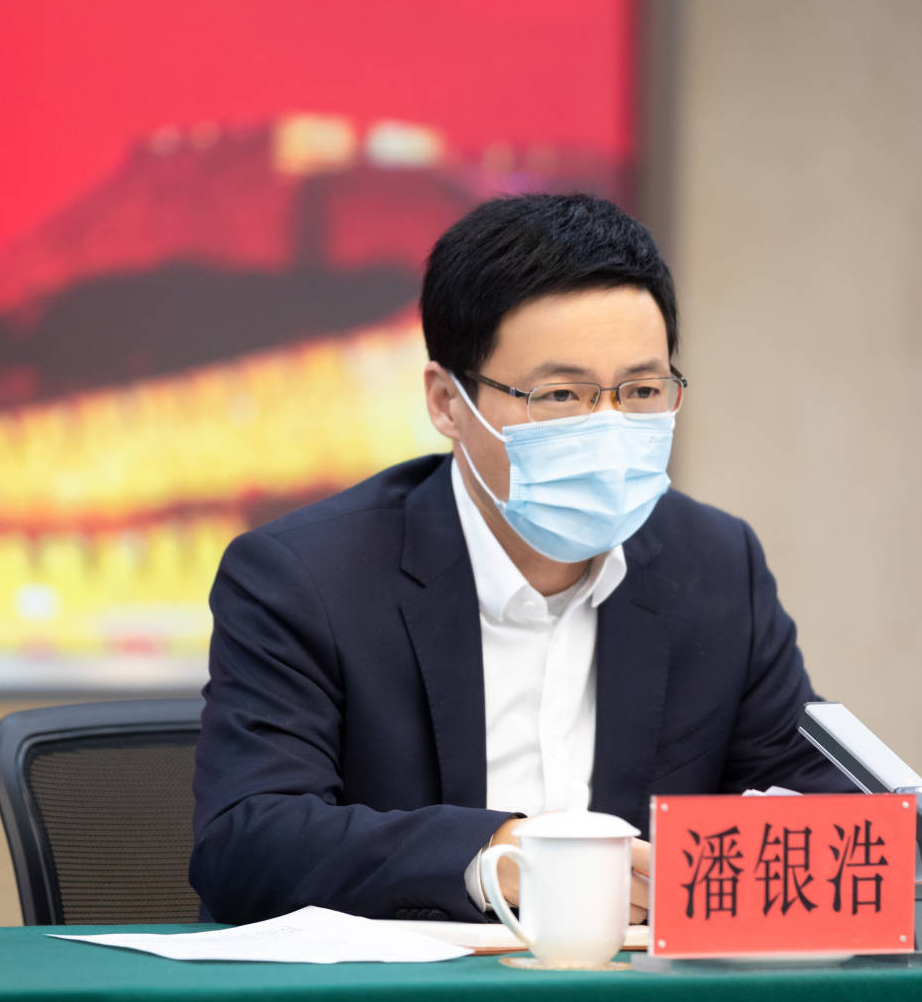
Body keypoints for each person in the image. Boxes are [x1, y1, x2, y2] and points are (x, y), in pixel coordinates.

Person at [190, 193, 851, 926]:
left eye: (641, 390)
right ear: (447, 402)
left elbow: (819, 811)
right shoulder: (305, 578)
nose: (608, 428)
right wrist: (495, 857)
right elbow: (248, 842)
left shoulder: (716, 564)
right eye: (561, 394)